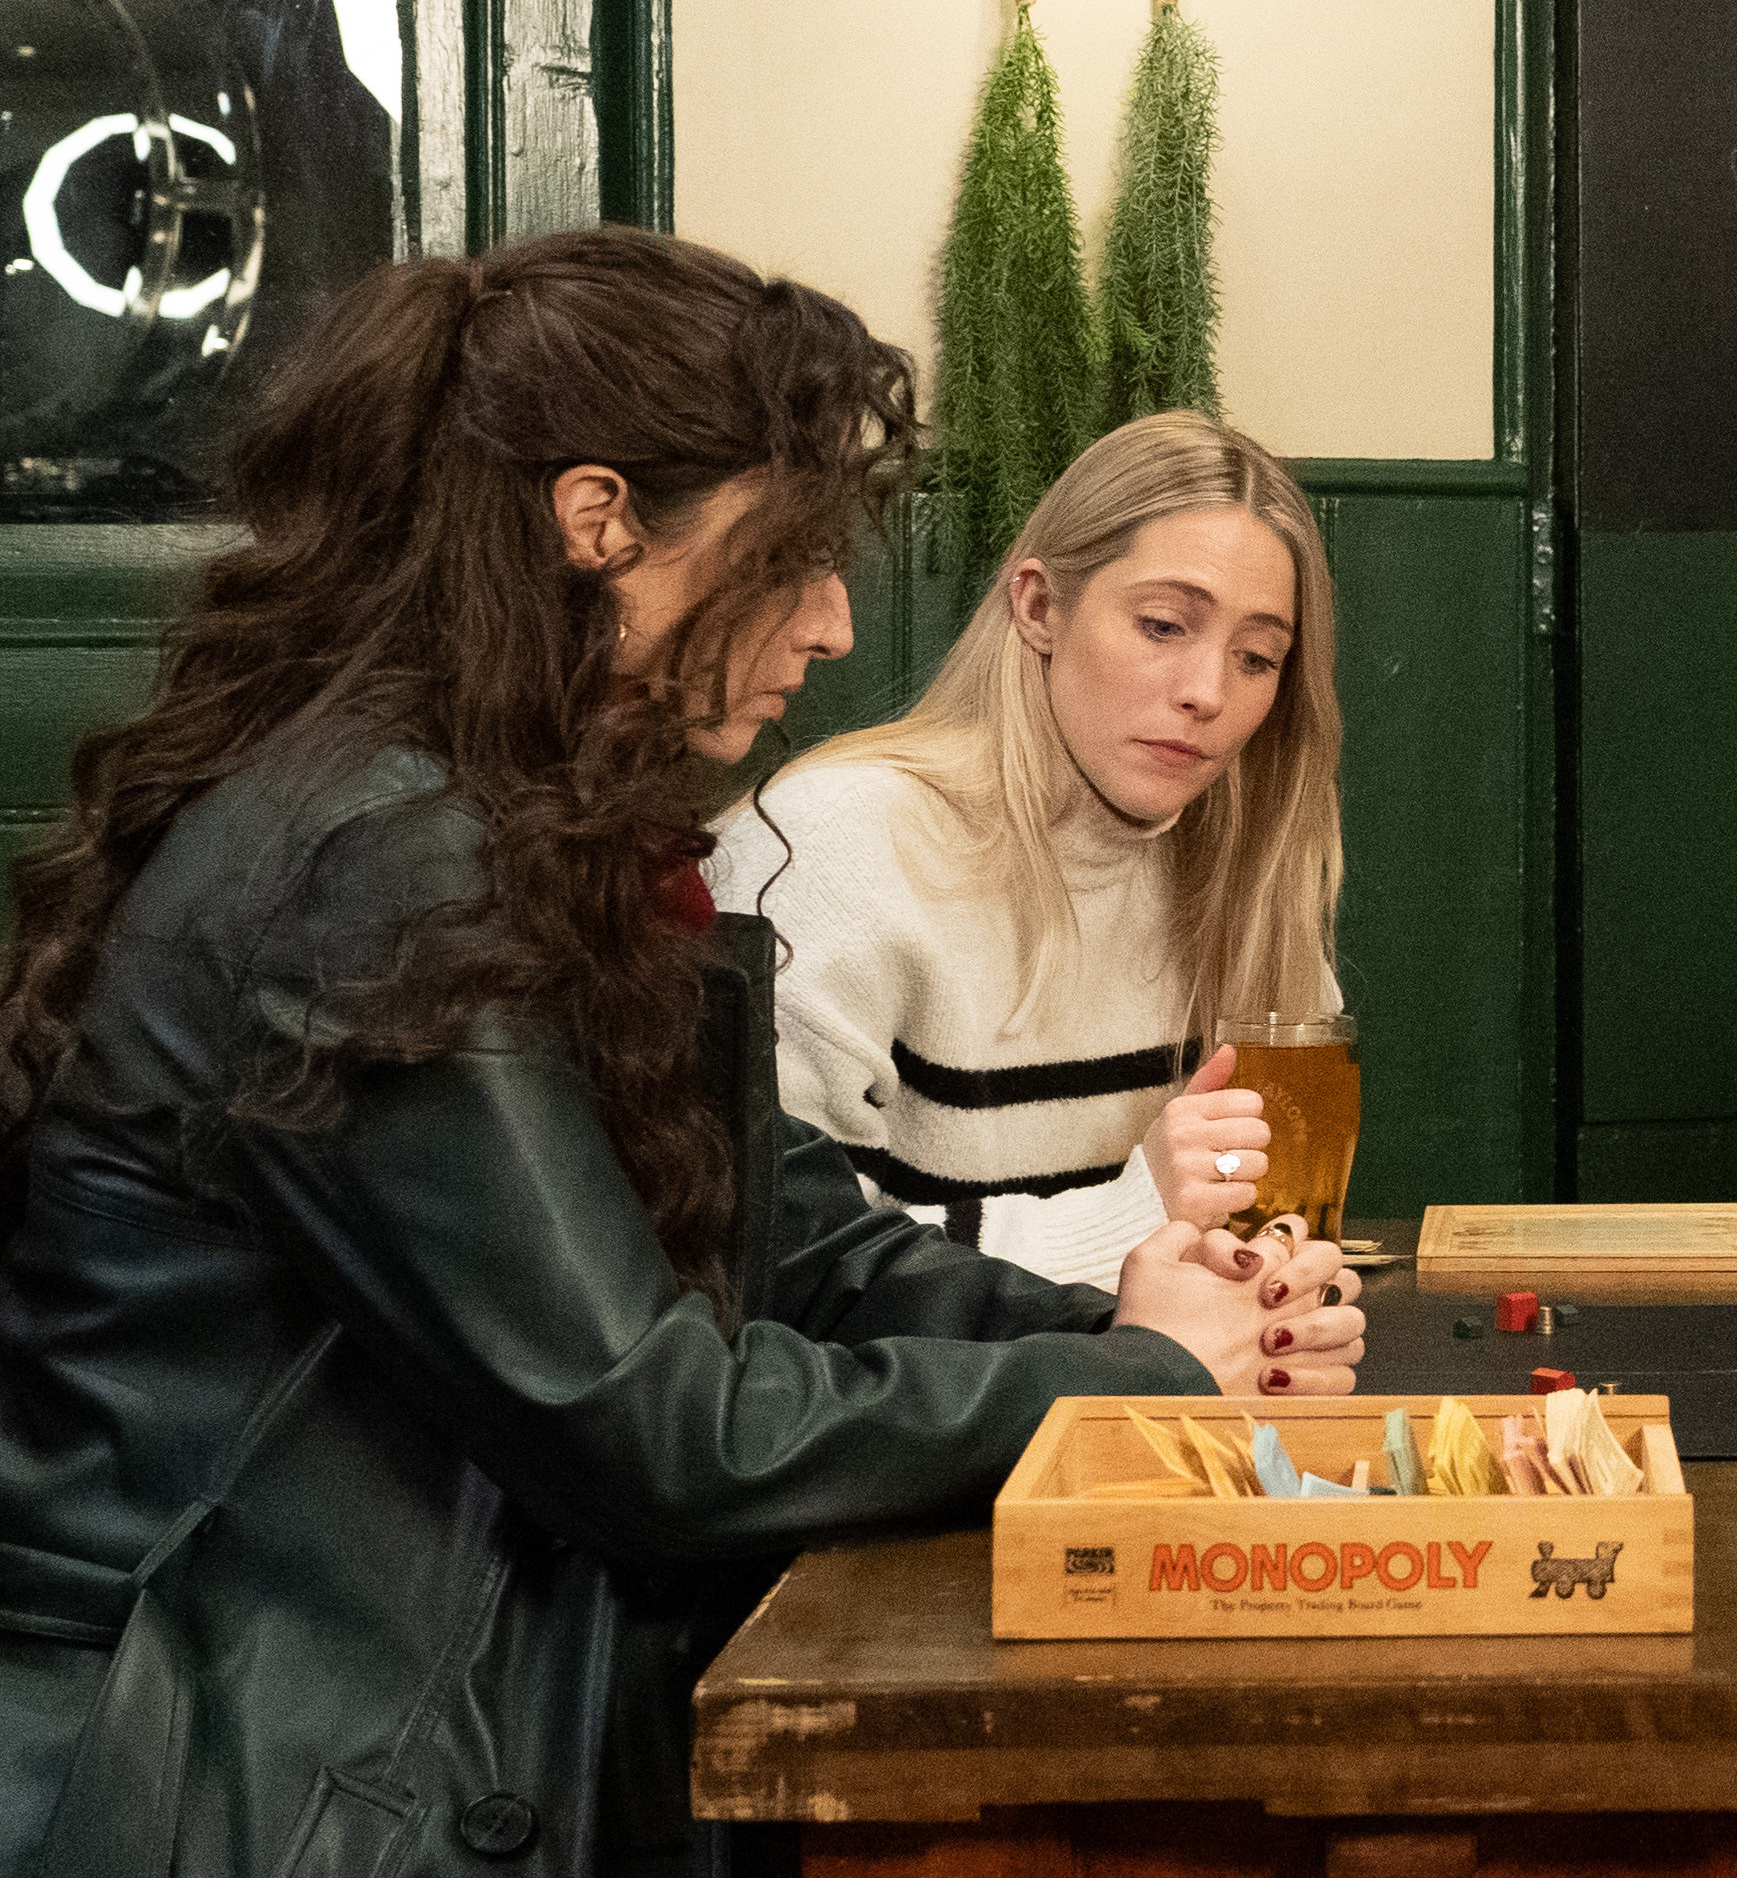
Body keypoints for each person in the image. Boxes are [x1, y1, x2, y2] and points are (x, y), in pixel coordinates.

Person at [0, 231, 1362, 1878]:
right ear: (600, 523)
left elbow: (791, 1239)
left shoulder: (513, 821)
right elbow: (652, 1431)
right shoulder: (380, 855)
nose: (835, 625)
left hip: (388, 1715)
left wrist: (1152, 1328)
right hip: (220, 1776)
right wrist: (1132, 1383)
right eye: (794, 558)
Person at [705, 412, 1341, 1287]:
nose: (1208, 692)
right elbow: (772, 1267)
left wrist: (1268, 1290)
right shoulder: (824, 844)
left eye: (1258, 658)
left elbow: (1252, 1231)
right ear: (1038, 606)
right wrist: (1132, 1215)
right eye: (1163, 625)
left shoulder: (1248, 875)